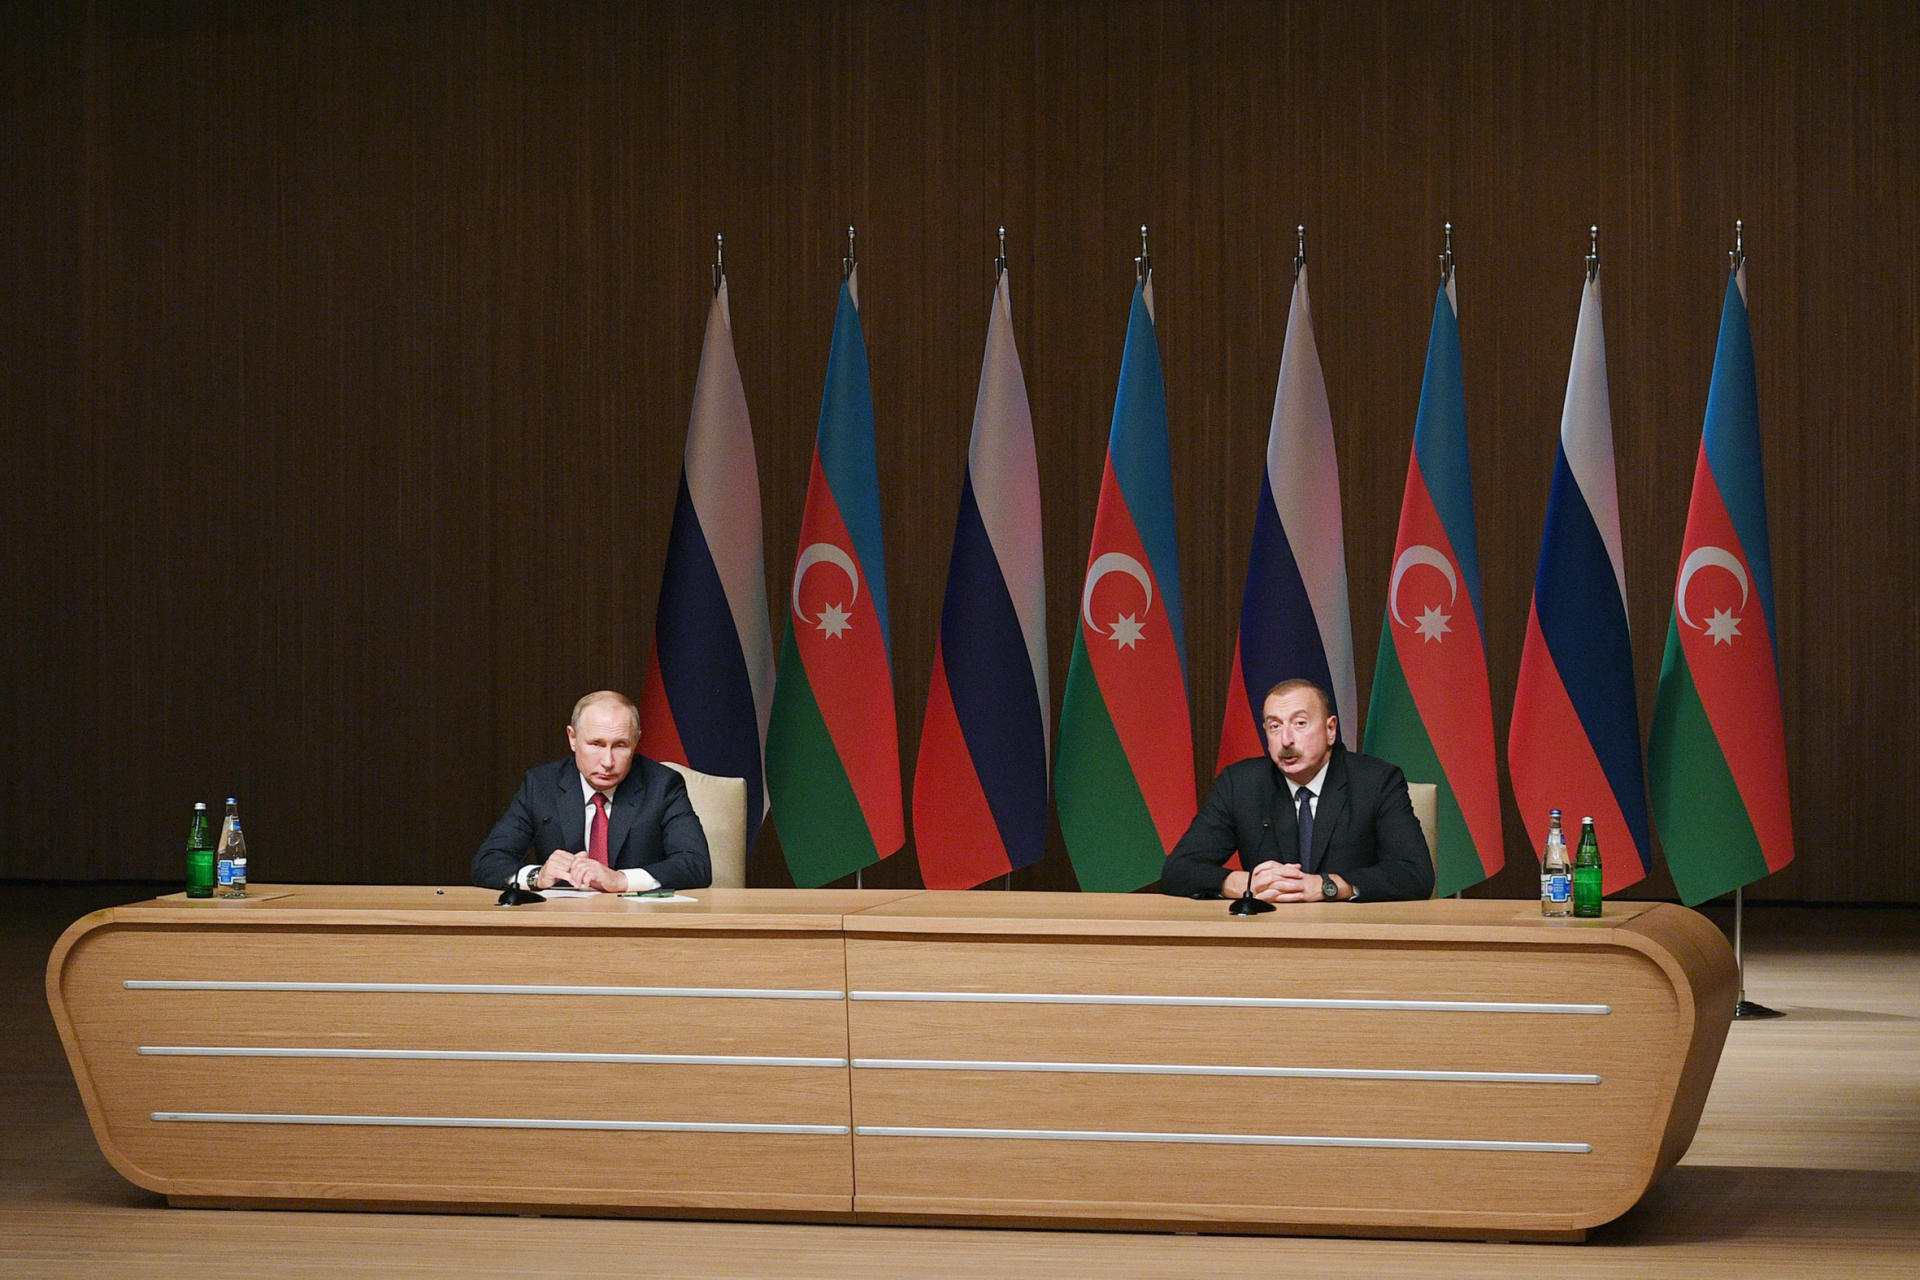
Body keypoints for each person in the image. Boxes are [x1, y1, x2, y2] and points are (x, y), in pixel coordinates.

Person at [1161, 678, 1433, 903]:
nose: (1286, 740)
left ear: (1330, 730)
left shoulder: (1376, 781)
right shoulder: (1240, 784)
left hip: (1352, 938)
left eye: (1300, 723)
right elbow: (1178, 870)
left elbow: (1415, 874)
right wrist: (1243, 883)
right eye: (1274, 726)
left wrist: (1329, 886)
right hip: (1268, 940)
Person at [472, 690, 712, 893]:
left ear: (636, 741)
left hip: (639, 924)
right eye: (596, 744)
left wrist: (621, 880)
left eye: (620, 745)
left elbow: (696, 865)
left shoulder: (663, 785)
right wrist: (538, 876)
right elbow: (488, 863)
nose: (607, 761)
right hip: (563, 926)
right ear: (573, 738)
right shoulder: (541, 785)